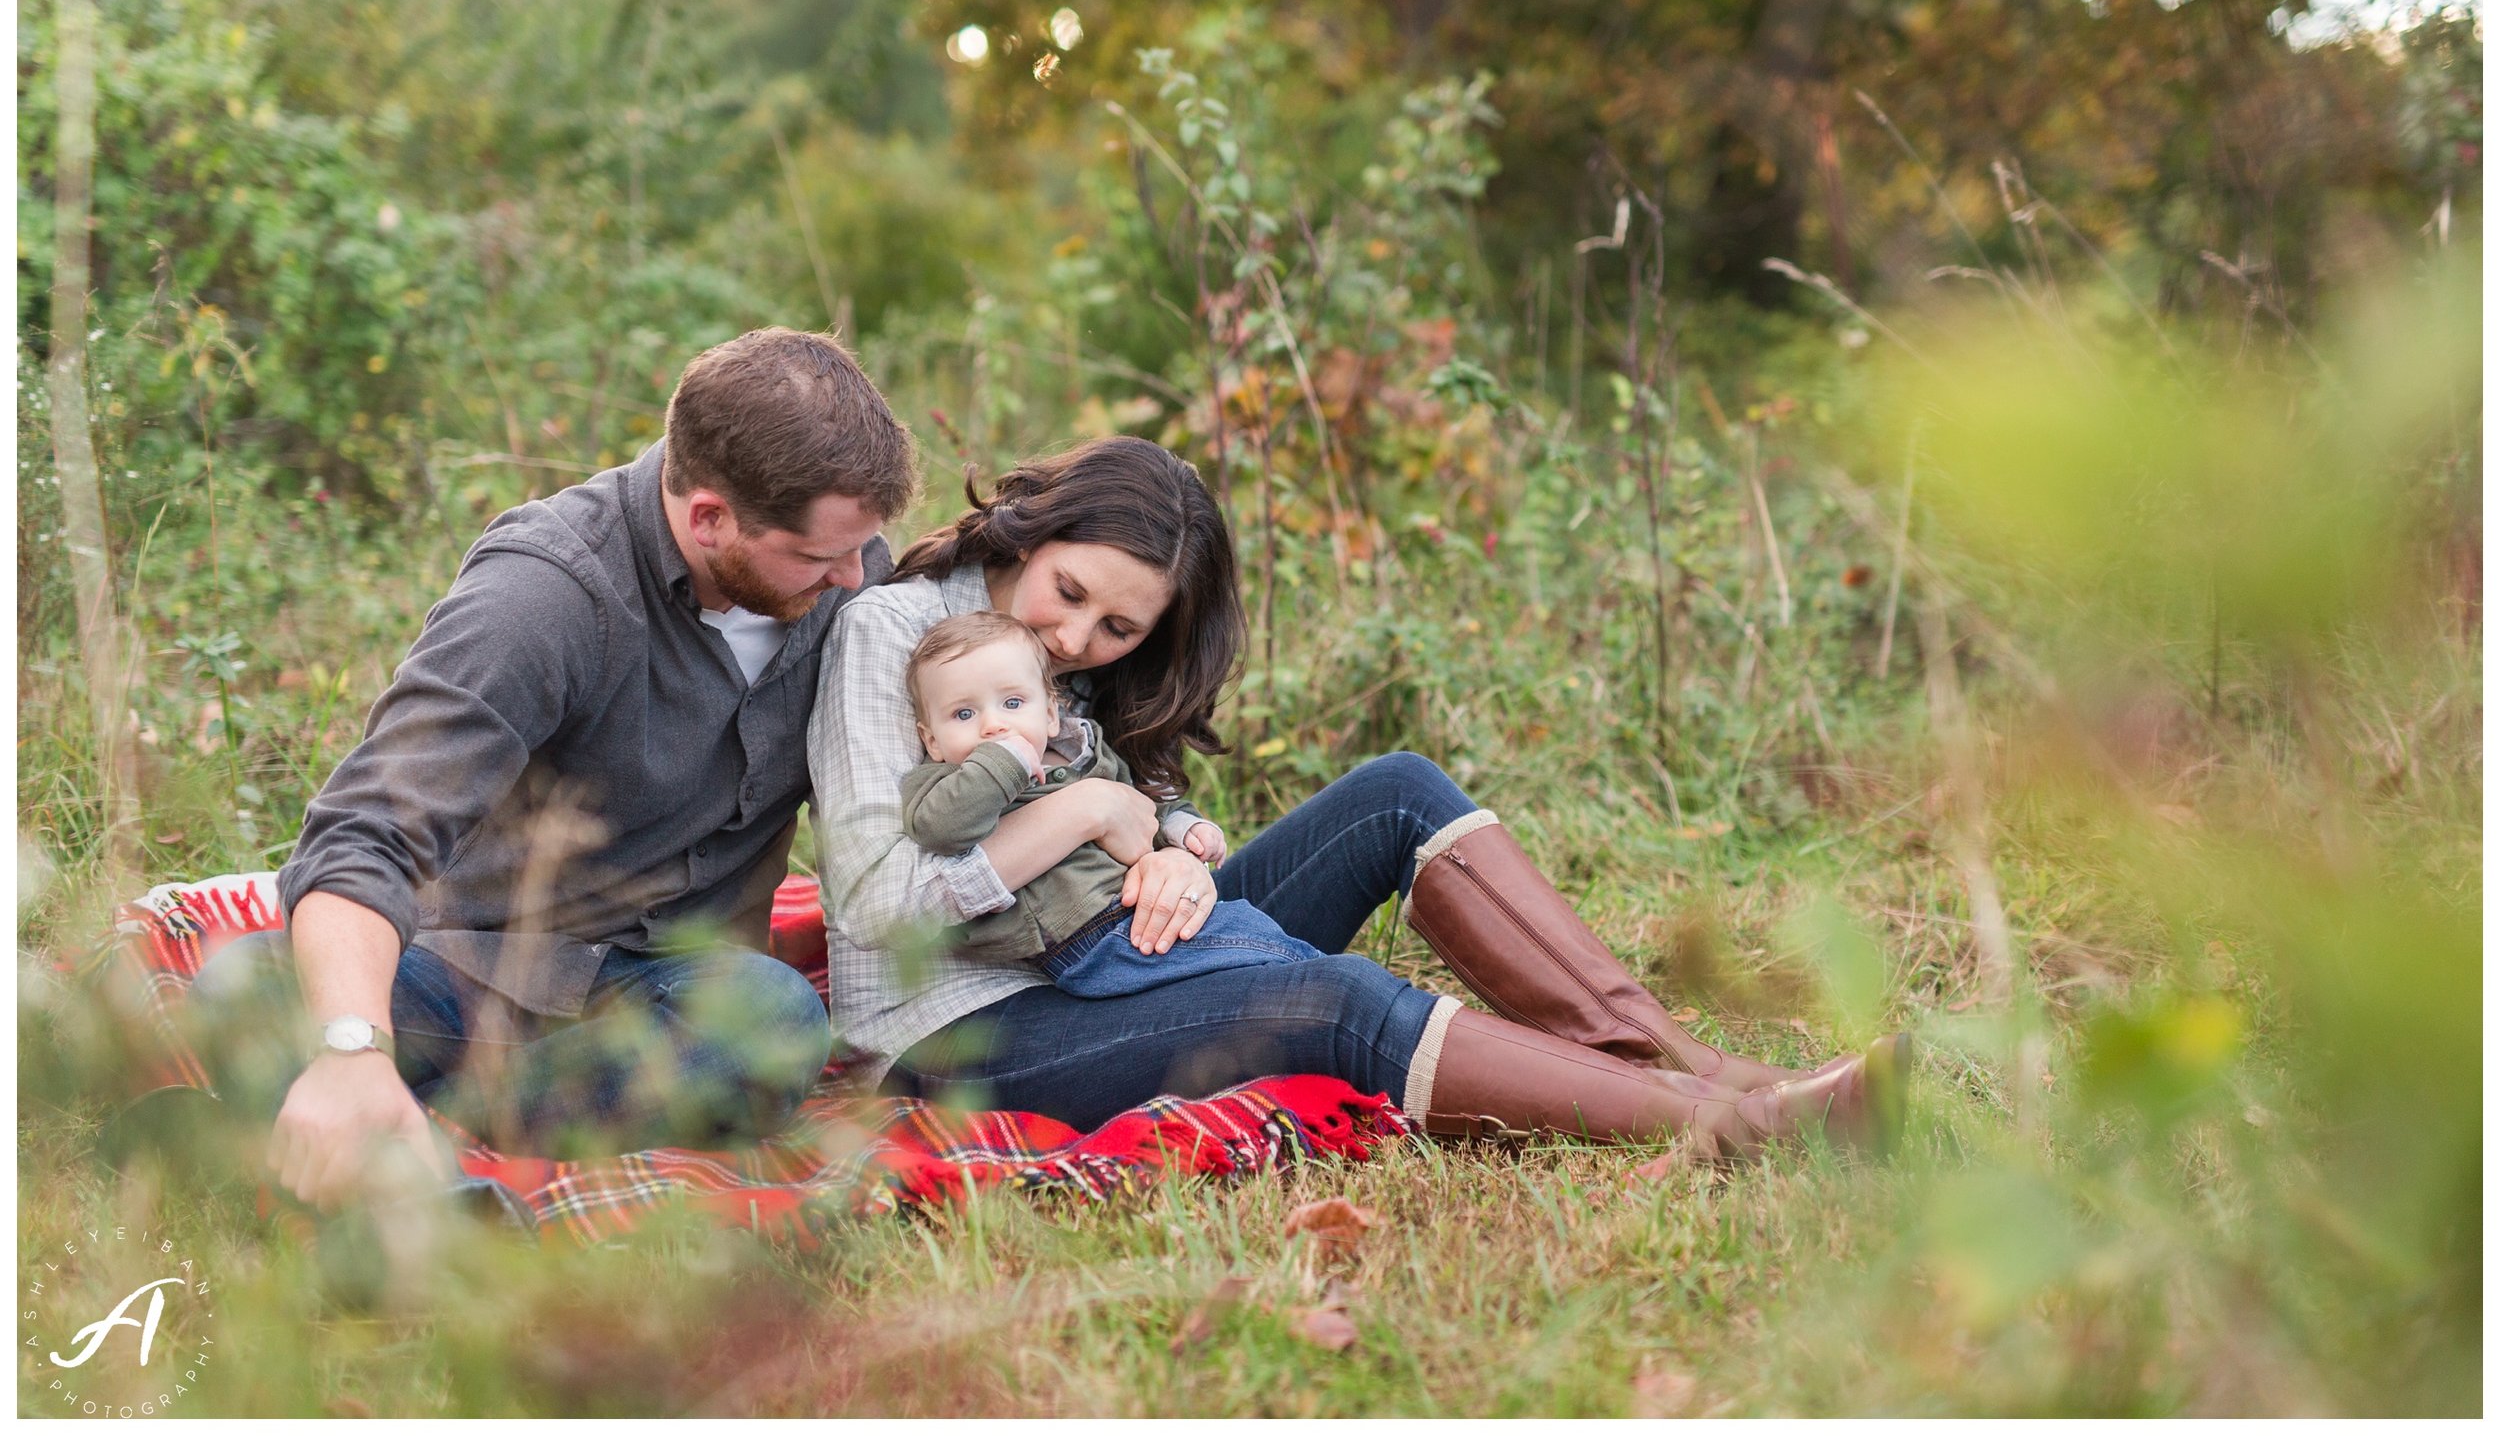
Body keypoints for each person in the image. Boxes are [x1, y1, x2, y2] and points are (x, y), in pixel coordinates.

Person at [810, 435, 1910, 1160]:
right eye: (1068, 595)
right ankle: (1741, 1131)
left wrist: (1176, 856)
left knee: (1396, 792)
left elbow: (1143, 805)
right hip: (966, 1026)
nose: (1074, 641)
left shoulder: (1077, 664)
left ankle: (1675, 1066)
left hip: (1110, 944)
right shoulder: (892, 635)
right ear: (1030, 527)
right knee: (1330, 1003)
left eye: (1118, 631)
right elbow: (872, 902)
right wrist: (1090, 820)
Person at [186, 327, 917, 1207]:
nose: (852, 577)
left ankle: (406, 1148)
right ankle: (414, 1167)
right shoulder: (546, 593)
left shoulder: (854, 574)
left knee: (776, 1021)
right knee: (243, 990)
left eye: (862, 548)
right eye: (816, 557)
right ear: (709, 517)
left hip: (682, 1001)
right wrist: (351, 1044)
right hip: (470, 969)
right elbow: (367, 831)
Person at [898, 609, 1319, 993]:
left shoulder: (1081, 748)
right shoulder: (951, 781)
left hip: (1136, 911)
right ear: (931, 740)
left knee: (1243, 943)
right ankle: (1314, 979)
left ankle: (1303, 982)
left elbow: (1141, 800)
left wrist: (1183, 828)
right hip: (1082, 935)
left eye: (1012, 703)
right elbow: (941, 829)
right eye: (964, 715)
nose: (993, 725)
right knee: (1258, 949)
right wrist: (1004, 764)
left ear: (1049, 714)